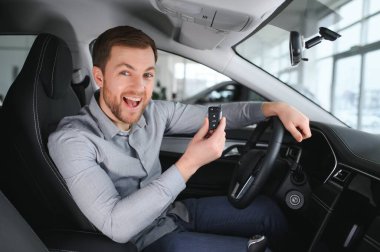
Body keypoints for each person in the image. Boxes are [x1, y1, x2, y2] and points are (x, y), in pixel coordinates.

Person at [48, 26, 311, 252]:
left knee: (267, 212)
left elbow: (216, 115)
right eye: (125, 73)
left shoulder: (153, 113)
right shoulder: (73, 140)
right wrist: (189, 164)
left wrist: (273, 108)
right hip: (143, 242)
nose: (139, 88)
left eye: (147, 75)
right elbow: (116, 225)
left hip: (174, 212)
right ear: (99, 77)